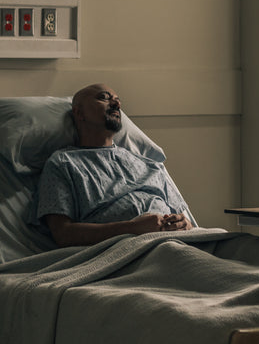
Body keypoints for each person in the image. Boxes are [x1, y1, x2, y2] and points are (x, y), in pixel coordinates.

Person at [37, 83, 194, 247]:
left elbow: (186, 221)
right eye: (104, 97)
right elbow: (63, 234)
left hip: (179, 242)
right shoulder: (63, 164)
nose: (117, 104)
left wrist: (184, 224)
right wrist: (132, 228)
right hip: (128, 249)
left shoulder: (150, 164)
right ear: (79, 112)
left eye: (117, 100)